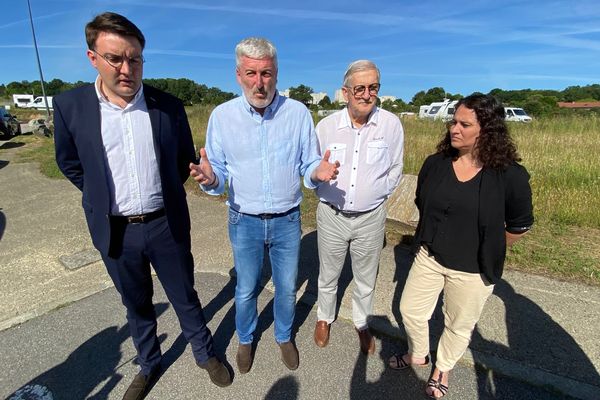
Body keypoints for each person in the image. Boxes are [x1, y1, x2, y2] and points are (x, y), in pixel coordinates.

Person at [53, 12, 231, 400]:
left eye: (134, 58)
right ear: (92, 57)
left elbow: (184, 159)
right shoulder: (71, 107)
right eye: (115, 58)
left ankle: (204, 354)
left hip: (165, 223)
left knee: (185, 294)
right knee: (136, 304)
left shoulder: (167, 106)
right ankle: (149, 364)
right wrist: (99, 196)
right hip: (115, 229)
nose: (126, 68)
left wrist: (199, 176)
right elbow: (69, 163)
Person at [189, 37, 338, 374]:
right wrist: (213, 181)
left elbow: (308, 163)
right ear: (239, 74)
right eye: (251, 73)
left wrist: (319, 171)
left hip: (287, 219)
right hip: (245, 220)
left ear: (277, 73)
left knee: (286, 287)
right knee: (246, 288)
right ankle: (246, 338)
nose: (260, 82)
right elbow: (220, 171)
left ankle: (284, 336)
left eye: (267, 73)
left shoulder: (298, 113)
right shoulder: (223, 116)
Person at [388, 93, 533, 399]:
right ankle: (418, 353)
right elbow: (422, 201)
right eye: (453, 121)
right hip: (430, 255)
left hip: (474, 268)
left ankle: (442, 368)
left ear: (487, 130)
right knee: (410, 310)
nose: (454, 128)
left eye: (464, 124)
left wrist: (489, 244)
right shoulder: (436, 163)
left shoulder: (510, 176)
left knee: (457, 325)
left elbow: (519, 226)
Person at [312, 60, 404, 355]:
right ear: (345, 93)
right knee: (328, 274)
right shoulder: (326, 127)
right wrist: (318, 175)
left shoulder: (390, 124)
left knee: (366, 276)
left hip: (370, 218)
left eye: (373, 87)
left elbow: (395, 169)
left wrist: (376, 195)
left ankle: (362, 323)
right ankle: (325, 317)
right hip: (332, 215)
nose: (367, 94)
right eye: (360, 88)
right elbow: (312, 169)